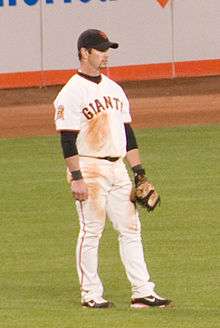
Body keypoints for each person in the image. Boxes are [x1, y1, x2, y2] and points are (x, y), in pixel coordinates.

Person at [54, 29, 172, 309]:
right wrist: (77, 178)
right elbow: (67, 139)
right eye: (100, 49)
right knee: (91, 231)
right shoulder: (71, 92)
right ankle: (91, 294)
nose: (106, 54)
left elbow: (127, 133)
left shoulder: (113, 88)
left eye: (107, 49)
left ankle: (142, 291)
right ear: (84, 52)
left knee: (131, 229)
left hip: (118, 167)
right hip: (89, 168)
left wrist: (139, 172)